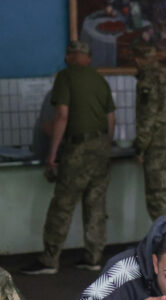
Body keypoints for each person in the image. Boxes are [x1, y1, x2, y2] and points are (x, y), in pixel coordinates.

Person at [23, 40, 115, 274]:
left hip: (78, 149)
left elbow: (62, 115)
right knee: (96, 204)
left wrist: (53, 154)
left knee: (62, 205)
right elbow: (111, 118)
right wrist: (105, 145)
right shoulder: (100, 80)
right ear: (88, 57)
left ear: (68, 56)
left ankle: (49, 260)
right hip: (102, 147)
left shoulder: (65, 77)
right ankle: (93, 258)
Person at [130, 42, 166, 220]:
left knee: (158, 199)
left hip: (156, 148)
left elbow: (147, 118)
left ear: (138, 59)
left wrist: (140, 146)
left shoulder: (147, 81)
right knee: (165, 194)